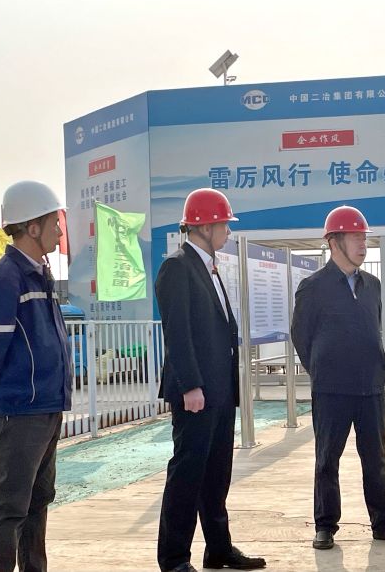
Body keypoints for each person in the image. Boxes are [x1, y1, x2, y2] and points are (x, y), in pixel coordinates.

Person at [155, 188, 265, 572]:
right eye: (224, 224)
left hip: (218, 391)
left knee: (217, 474)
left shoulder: (210, 266)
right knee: (187, 474)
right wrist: (190, 386)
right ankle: (174, 558)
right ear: (204, 226)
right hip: (196, 393)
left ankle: (218, 549)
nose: (228, 232)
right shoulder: (177, 267)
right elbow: (178, 333)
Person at [291, 205, 385, 550]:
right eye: (356, 237)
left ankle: (384, 523)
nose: (363, 244)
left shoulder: (372, 285)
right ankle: (325, 525)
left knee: (375, 459)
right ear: (334, 241)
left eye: (364, 237)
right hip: (331, 389)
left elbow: (374, 328)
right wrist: (322, 369)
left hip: (370, 387)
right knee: (327, 459)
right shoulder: (313, 287)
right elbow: (301, 336)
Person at [0, 180, 72, 572]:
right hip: (20, 410)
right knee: (11, 506)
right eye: (53, 224)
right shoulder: (4, 278)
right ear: (32, 227)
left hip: (46, 406)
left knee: (38, 500)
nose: (59, 232)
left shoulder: (39, 275)